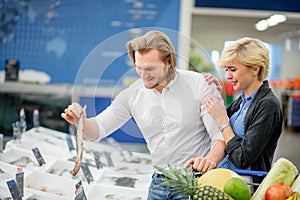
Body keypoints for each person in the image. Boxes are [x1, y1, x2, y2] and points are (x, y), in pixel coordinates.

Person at [61, 30, 226, 199]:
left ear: (169, 61)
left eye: (150, 68)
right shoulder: (133, 94)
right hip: (158, 186)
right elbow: (97, 130)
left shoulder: (200, 84)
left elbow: (219, 135)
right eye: (139, 68)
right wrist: (80, 120)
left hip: (195, 184)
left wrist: (210, 160)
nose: (144, 75)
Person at [186, 37, 283, 186]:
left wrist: (223, 122)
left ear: (255, 68)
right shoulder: (243, 100)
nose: (228, 76)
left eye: (233, 70)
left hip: (243, 187)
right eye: (226, 70)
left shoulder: (268, 106)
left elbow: (242, 158)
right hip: (224, 180)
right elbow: (220, 128)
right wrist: (217, 92)